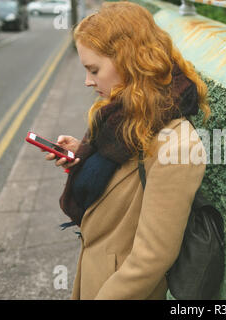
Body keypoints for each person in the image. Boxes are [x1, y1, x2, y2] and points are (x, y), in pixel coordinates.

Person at [44, 1, 210, 299]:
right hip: (96, 272)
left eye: (93, 69)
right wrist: (81, 155)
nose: (87, 81)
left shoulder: (178, 146)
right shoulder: (124, 116)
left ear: (128, 60)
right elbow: (118, 181)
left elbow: (152, 258)